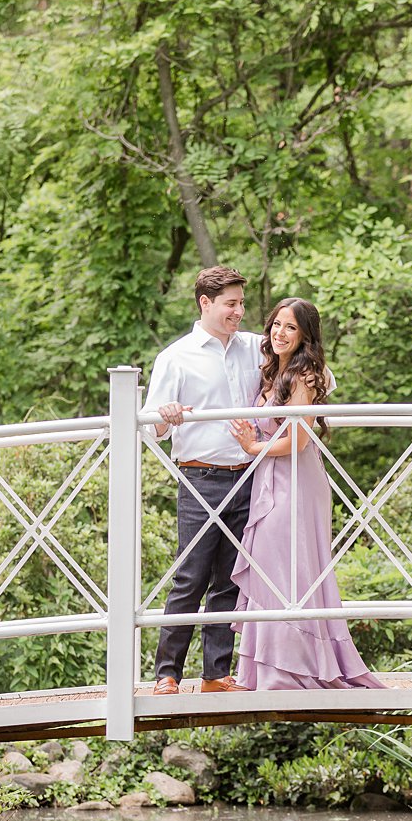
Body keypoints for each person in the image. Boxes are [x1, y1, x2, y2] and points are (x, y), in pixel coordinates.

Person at [227, 298, 385, 691]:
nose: (280, 333)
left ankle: (295, 671)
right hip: (270, 476)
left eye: (290, 328)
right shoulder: (272, 372)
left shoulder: (306, 376)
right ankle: (266, 668)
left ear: (305, 336)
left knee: (291, 568)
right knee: (269, 568)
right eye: (276, 325)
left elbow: (298, 439)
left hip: (297, 480)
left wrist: (252, 449)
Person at [143, 265, 262, 694]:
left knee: (231, 577)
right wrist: (165, 417)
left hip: (249, 477)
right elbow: (149, 427)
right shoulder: (175, 356)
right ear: (205, 303)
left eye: (242, 303)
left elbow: (305, 366)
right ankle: (167, 673)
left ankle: (216, 673)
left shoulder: (255, 347)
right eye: (231, 304)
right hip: (200, 478)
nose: (239, 312)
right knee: (190, 577)